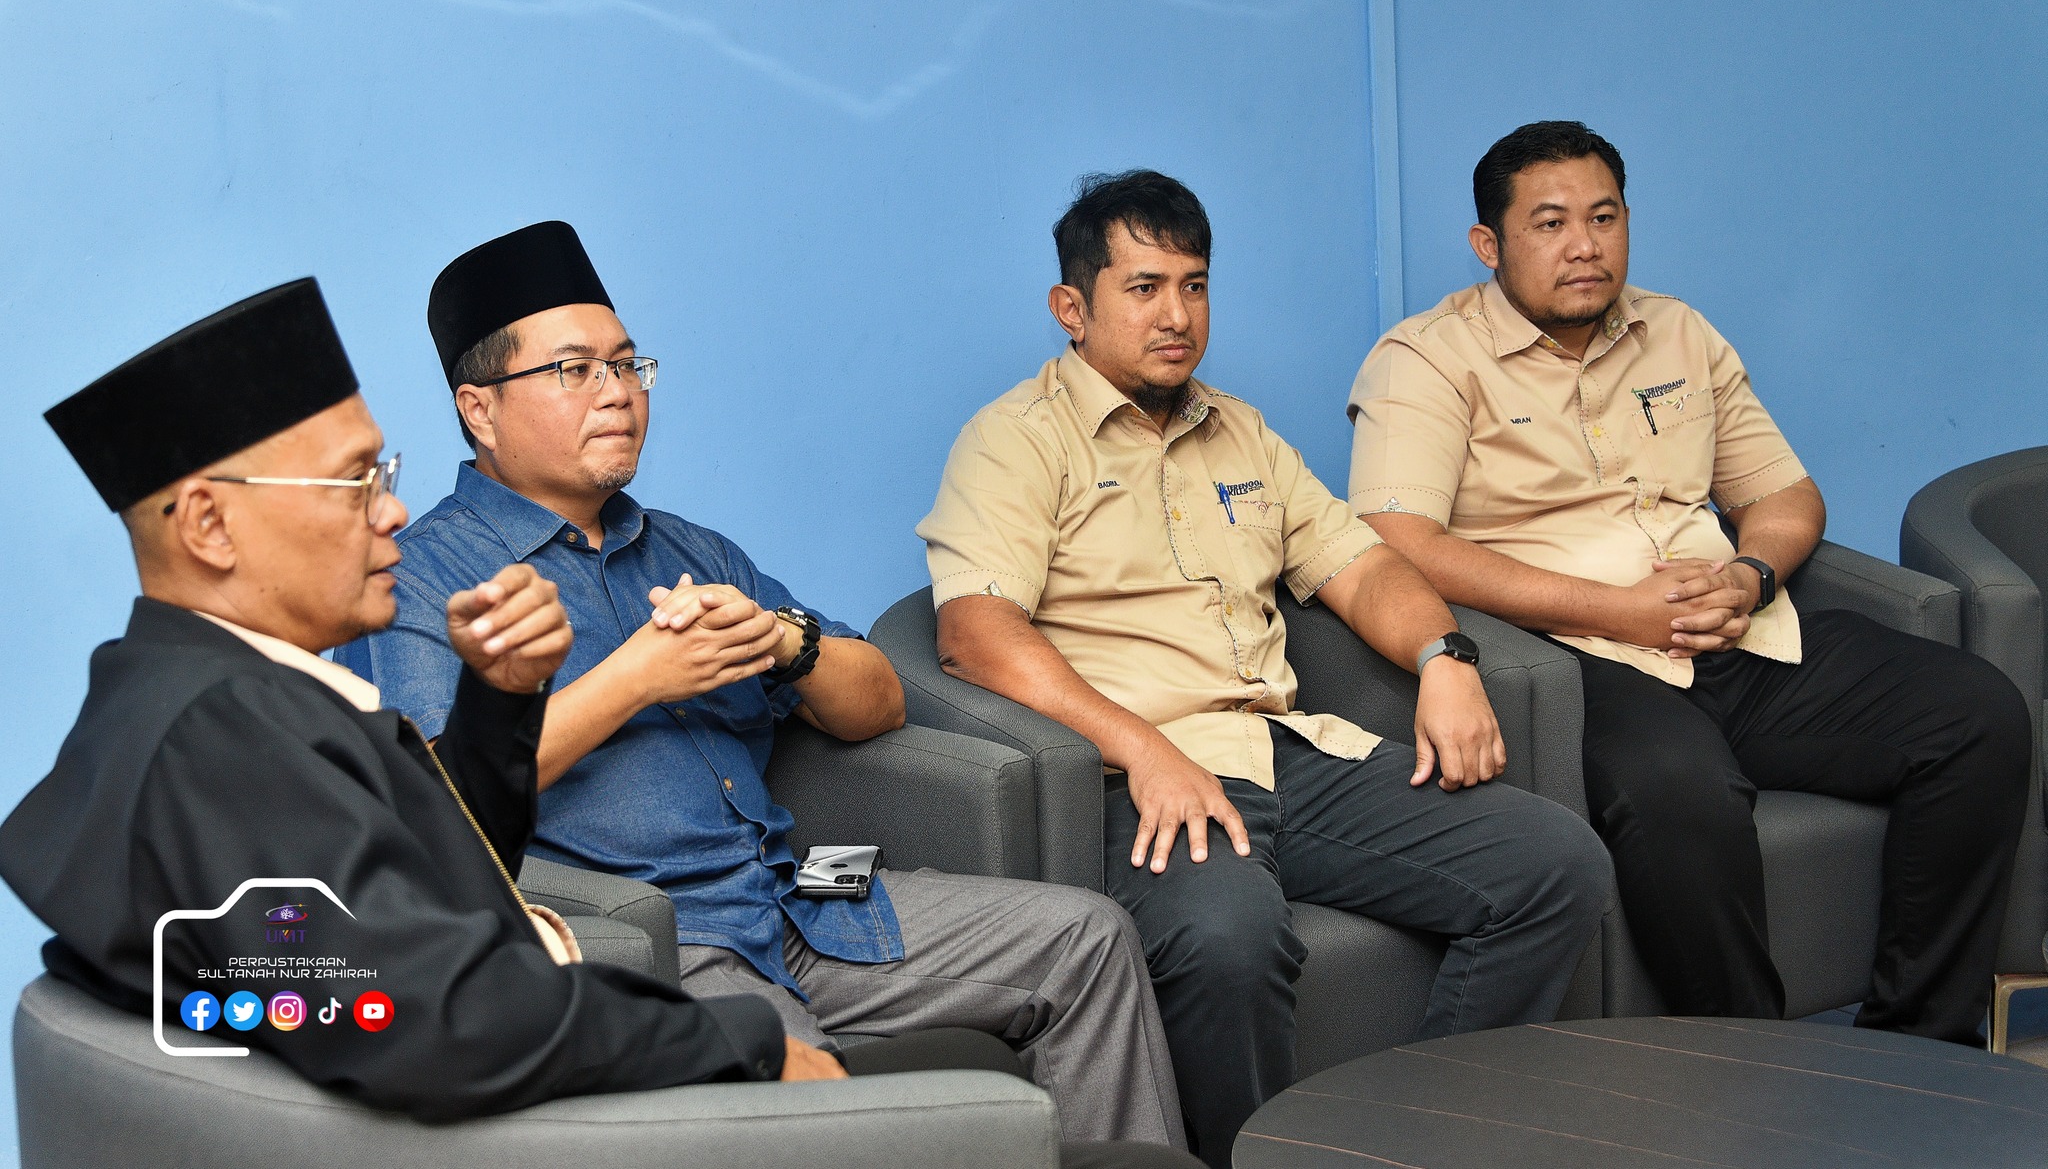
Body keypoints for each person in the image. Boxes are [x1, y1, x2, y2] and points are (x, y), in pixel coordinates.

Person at [341, 221, 1186, 1153]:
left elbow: (880, 703)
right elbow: (434, 799)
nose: (617, 392)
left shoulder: (691, 548)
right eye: (574, 370)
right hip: (660, 940)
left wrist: (787, 643)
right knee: (810, 1098)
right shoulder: (423, 578)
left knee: (1090, 937)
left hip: (799, 898)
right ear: (480, 408)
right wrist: (637, 678)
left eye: (627, 365)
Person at [0, 278, 843, 1118]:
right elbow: (438, 1022)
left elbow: (424, 877)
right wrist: (742, 1040)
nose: (394, 511)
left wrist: (497, 704)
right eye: (354, 482)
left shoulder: (192, 689)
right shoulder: (221, 740)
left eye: (384, 473)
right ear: (208, 527)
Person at [918, 170, 1611, 1167]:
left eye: (1194, 285)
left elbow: (1363, 565)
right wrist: (1143, 748)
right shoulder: (1014, 440)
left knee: (1555, 863)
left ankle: (1412, 1143)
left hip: (1288, 752)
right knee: (1227, 939)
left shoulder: (1238, 429)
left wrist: (1445, 656)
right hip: (1138, 779)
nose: (1177, 315)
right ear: (1072, 307)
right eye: (1144, 287)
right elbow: (973, 633)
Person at [1347, 120, 2031, 1043]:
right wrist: (1616, 611)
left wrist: (1751, 573)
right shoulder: (1425, 358)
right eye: (1550, 223)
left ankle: (1917, 1052)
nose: (1584, 245)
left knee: (1979, 713)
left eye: (1604, 217)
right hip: (1573, 659)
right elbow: (1399, 539)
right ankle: (1753, 1069)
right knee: (1680, 789)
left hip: (1734, 634)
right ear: (1489, 244)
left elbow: (1784, 493)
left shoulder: (1677, 332)